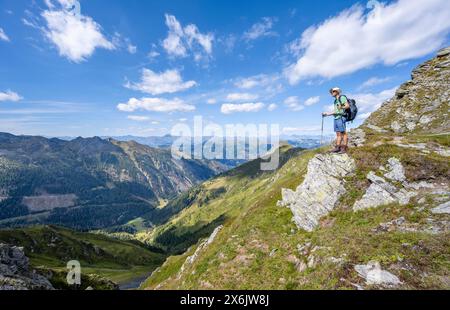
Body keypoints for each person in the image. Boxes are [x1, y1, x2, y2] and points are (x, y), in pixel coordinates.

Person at [322, 87, 350, 154]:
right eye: (331, 92)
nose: (331, 93)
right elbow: (335, 111)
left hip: (341, 117)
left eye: (333, 91)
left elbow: (347, 106)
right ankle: (337, 148)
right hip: (336, 118)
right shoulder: (335, 101)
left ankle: (344, 148)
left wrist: (341, 107)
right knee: (338, 134)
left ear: (337, 92)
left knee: (343, 133)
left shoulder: (342, 97)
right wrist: (327, 114)